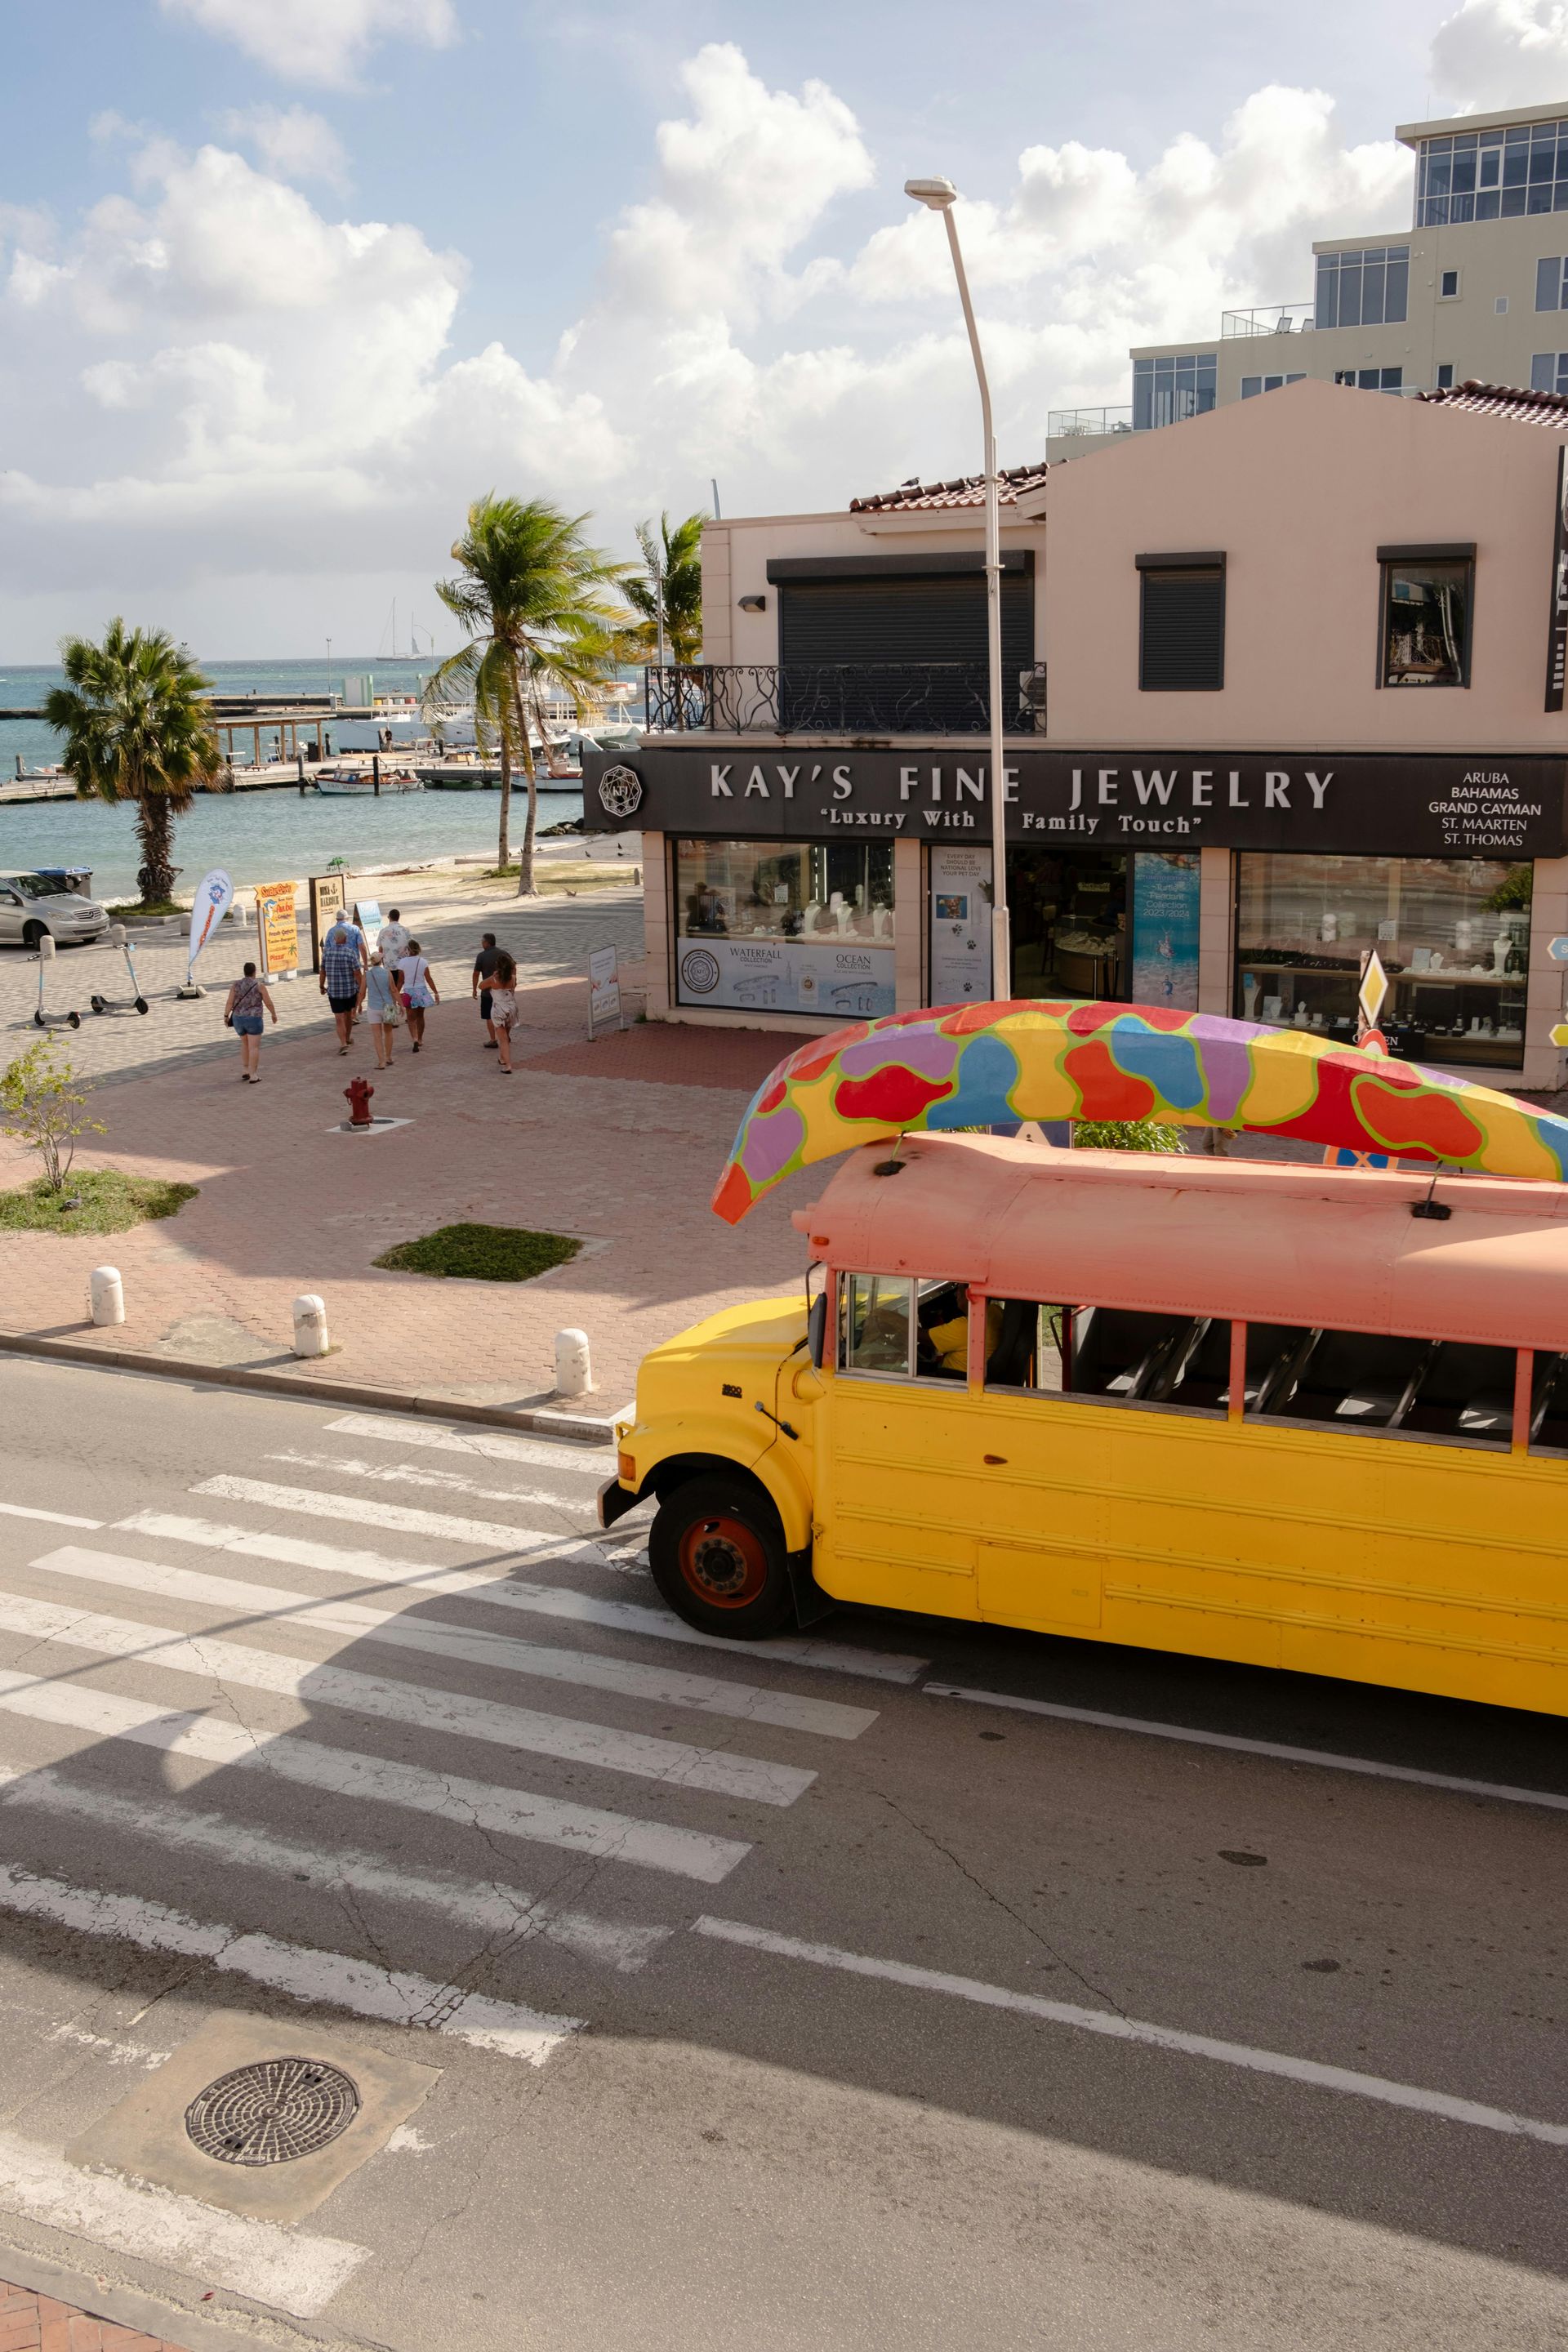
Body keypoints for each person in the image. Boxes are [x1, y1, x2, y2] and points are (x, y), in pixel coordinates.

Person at [318, 911, 367, 1052]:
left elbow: (323, 970)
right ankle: (348, 1037)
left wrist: (321, 985)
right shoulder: (355, 931)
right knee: (347, 1015)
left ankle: (343, 1043)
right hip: (349, 987)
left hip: (334, 989)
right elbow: (361, 951)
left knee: (338, 1018)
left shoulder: (330, 938)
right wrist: (361, 984)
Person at [224, 961, 276, 1083]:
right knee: (254, 1047)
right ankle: (253, 1075)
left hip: (238, 1019)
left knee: (244, 1044)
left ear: (244, 972)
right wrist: (273, 1014)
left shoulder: (236, 985)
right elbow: (268, 1002)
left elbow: (229, 1002)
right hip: (254, 1019)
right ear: (254, 972)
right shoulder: (259, 986)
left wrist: (226, 1016)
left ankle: (245, 1070)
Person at [398, 938, 439, 1050]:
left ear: (408, 950)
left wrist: (396, 993)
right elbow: (429, 979)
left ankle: (414, 1038)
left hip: (409, 992)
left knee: (411, 1018)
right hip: (422, 991)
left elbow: (400, 981)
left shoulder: (402, 962)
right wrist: (436, 992)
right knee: (420, 1016)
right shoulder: (423, 961)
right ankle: (420, 1039)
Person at [363, 949, 401, 1068]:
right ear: (382, 961)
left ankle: (381, 1061)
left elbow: (361, 992)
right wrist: (401, 1004)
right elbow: (394, 990)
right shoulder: (388, 973)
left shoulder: (367, 974)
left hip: (373, 1007)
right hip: (388, 1006)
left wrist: (358, 1005)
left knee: (377, 1035)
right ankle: (389, 1057)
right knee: (389, 1032)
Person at [488, 949, 518, 1074]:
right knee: (506, 1034)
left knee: (503, 1039)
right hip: (512, 1009)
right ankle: (502, 1058)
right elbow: (513, 987)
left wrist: (493, 976)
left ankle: (508, 1065)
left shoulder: (494, 979)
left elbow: (481, 985)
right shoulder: (513, 978)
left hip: (499, 1010)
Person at [472, 930, 501, 1049]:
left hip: (487, 992)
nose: (481, 944)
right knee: (503, 1013)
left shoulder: (481, 956)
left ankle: (493, 1039)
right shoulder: (503, 953)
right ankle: (505, 1035)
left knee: (489, 1015)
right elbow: (513, 967)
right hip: (502, 991)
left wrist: (474, 989)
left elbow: (476, 973)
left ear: (487, 943)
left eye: (482, 942)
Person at [378, 906, 411, 978]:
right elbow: (410, 947)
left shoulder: (383, 931)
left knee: (392, 985)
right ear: (398, 917)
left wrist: (381, 961)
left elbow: (380, 949)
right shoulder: (406, 930)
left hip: (389, 964)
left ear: (389, 917)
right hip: (404, 964)